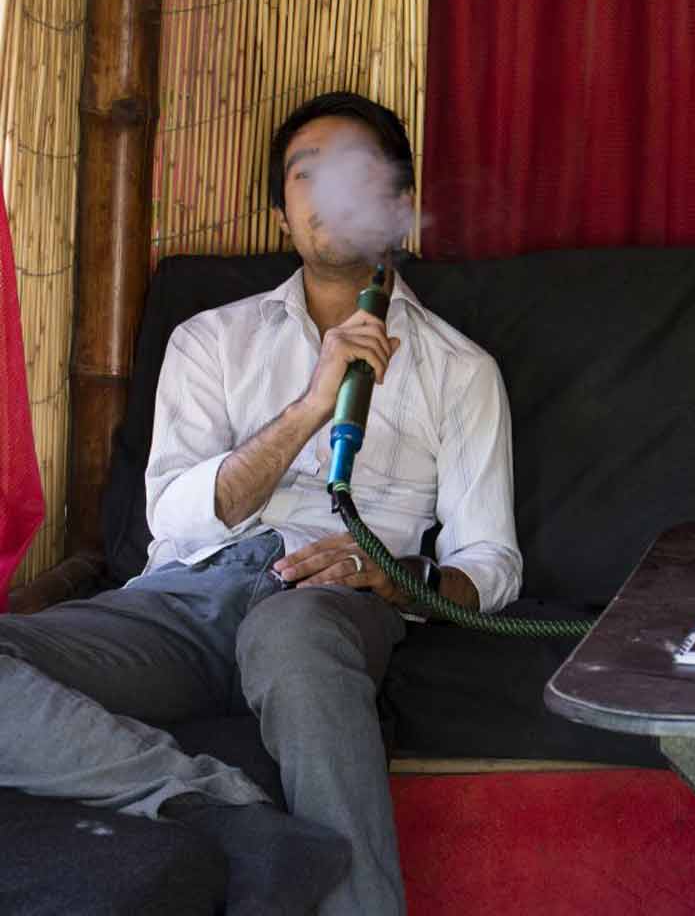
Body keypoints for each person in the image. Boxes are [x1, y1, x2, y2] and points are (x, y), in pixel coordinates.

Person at [0, 91, 521, 915]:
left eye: (353, 173)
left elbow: (490, 565)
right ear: (282, 215)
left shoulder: (460, 370)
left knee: (291, 632)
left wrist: (391, 575)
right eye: (304, 176)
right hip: (183, 600)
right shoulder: (211, 340)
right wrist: (312, 404)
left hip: (327, 598)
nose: (326, 194)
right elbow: (171, 522)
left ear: (401, 206)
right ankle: (213, 810)